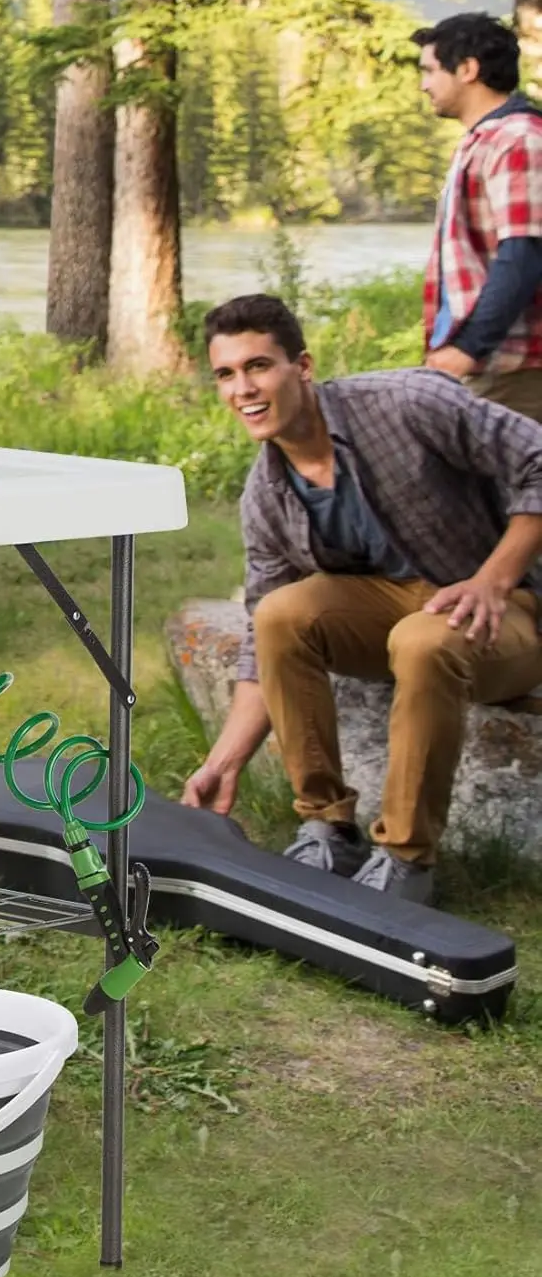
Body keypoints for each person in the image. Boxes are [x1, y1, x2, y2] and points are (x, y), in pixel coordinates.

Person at [181, 294, 542, 904]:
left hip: (514, 608)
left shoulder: (410, 404)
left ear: (303, 366)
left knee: (422, 640)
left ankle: (406, 859)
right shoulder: (267, 494)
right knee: (279, 614)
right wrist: (226, 760)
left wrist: (494, 578)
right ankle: (327, 826)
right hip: (406, 612)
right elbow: (260, 645)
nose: (243, 388)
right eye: (226, 373)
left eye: (258, 366)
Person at [413, 14, 542, 420]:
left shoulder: (518, 139)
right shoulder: (482, 141)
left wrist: (467, 348)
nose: (424, 84)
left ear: (468, 69)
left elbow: (523, 252)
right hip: (489, 364)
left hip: (511, 368)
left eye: (431, 70)